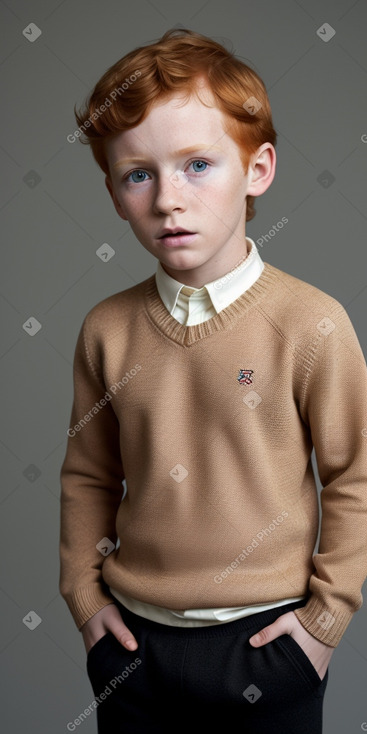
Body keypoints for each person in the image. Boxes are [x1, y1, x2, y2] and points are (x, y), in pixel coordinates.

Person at [60, 28, 367, 733]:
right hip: (132, 647)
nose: (168, 198)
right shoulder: (105, 329)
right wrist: (84, 600)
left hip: (265, 645)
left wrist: (323, 623)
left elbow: (355, 475)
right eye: (138, 173)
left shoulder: (311, 323)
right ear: (113, 192)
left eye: (197, 165)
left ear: (257, 170)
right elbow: (87, 477)